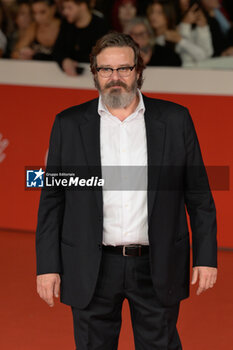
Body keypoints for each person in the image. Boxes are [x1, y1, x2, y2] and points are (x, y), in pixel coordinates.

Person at [36, 32, 218, 349]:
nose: (115, 78)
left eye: (124, 68)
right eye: (106, 69)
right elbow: (53, 201)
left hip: (156, 263)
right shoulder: (68, 124)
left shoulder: (176, 120)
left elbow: (199, 195)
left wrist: (205, 258)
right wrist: (48, 266)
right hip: (91, 266)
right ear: (95, 73)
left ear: (138, 70)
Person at [147, 0, 213, 66]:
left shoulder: (176, 34)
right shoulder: (146, 36)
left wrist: (180, 40)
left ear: (167, 15)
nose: (153, 16)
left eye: (159, 13)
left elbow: (203, 56)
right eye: (151, 12)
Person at [55, 0, 108, 76]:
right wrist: (64, 60)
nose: (65, 12)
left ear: (83, 6)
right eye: (64, 8)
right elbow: (57, 49)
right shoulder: (66, 24)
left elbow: (104, 54)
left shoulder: (100, 25)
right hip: (67, 78)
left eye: (69, 8)